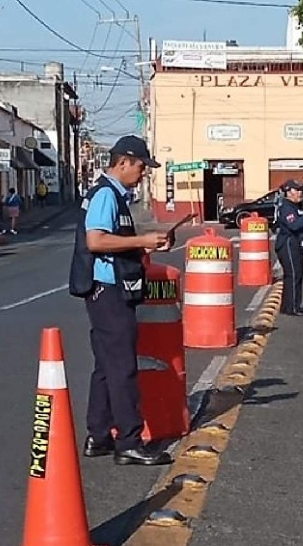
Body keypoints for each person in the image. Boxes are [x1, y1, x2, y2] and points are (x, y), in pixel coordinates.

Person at [69, 135, 174, 466]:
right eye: (142, 167)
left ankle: (98, 436)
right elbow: (96, 240)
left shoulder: (113, 196)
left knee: (106, 365)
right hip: (108, 290)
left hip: (105, 289)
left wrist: (144, 244)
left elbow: (111, 240)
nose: (143, 173)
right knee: (122, 366)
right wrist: (143, 239)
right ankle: (129, 442)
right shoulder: (105, 195)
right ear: (124, 162)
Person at [275, 180, 303, 316]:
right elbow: (294, 225)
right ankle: (293, 307)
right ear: (288, 192)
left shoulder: (298, 206)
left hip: (299, 245)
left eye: (300, 190)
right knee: (294, 275)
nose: (299, 193)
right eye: (296, 190)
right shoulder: (287, 207)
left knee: (295, 275)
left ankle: (288, 306)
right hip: (289, 244)